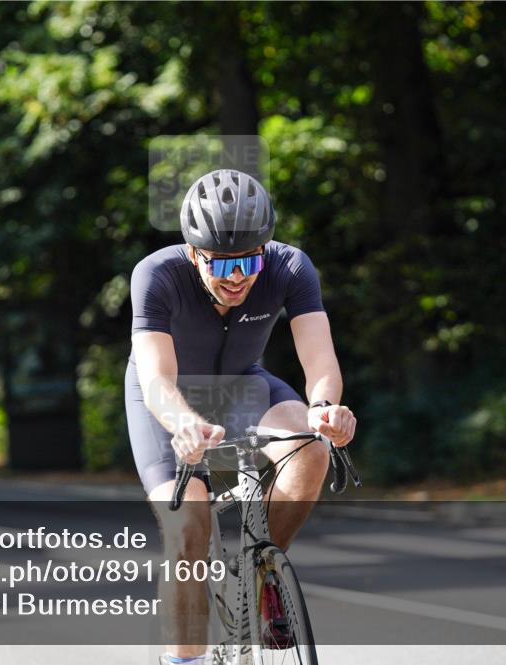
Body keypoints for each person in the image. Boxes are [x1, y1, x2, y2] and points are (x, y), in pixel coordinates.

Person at [125, 168, 357, 664]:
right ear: (194, 253)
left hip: (243, 385)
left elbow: (319, 360)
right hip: (168, 399)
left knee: (310, 449)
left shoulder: (290, 267)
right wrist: (182, 423)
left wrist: (325, 409)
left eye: (250, 260)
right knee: (188, 527)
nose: (237, 278)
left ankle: (261, 574)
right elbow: (156, 379)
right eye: (222, 264)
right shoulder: (156, 274)